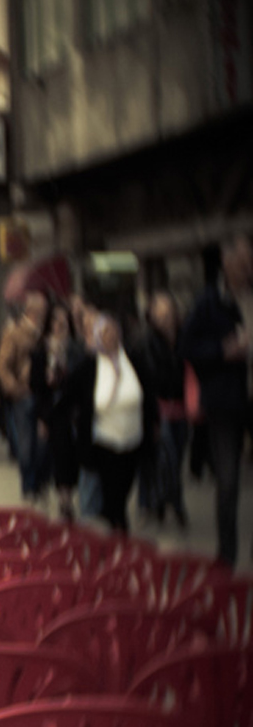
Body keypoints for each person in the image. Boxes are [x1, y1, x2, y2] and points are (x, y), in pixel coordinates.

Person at [181, 234, 253, 566]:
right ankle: (226, 557)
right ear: (226, 264)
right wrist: (222, 352)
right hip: (226, 400)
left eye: (249, 261)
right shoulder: (208, 301)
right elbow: (187, 348)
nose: (247, 267)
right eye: (241, 262)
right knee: (227, 481)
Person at [73, 313, 153, 533]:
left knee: (125, 486)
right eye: (105, 332)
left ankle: (116, 522)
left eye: (114, 331)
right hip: (104, 440)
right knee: (111, 492)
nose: (111, 336)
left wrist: (153, 424)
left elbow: (149, 394)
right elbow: (70, 397)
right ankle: (117, 530)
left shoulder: (134, 360)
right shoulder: (89, 365)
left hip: (133, 438)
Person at [134, 292, 189, 529]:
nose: (166, 319)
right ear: (152, 317)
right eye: (161, 314)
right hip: (160, 409)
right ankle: (172, 506)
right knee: (167, 459)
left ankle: (163, 503)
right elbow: (153, 379)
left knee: (174, 459)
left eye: (169, 313)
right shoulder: (148, 343)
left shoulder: (184, 339)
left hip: (182, 408)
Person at [32, 303, 85, 522]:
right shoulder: (41, 350)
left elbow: (83, 379)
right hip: (52, 412)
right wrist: (41, 418)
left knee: (72, 458)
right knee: (59, 456)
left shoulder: (76, 349)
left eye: (64, 321)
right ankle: (64, 501)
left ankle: (69, 496)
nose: (59, 325)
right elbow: (35, 386)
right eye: (55, 321)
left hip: (73, 411)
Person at [0, 290, 50, 500]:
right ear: (32, 312)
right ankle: (29, 486)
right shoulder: (15, 333)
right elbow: (2, 366)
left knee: (43, 443)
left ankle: (39, 483)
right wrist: (16, 389)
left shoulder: (45, 335)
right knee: (27, 444)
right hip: (24, 396)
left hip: (43, 395)